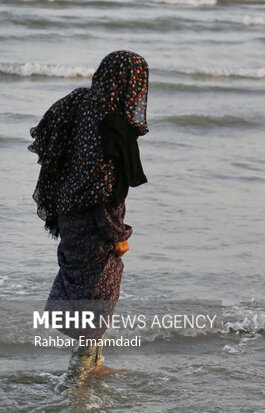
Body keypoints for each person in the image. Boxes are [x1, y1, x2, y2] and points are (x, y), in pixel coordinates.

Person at [28, 50, 149, 391]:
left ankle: (96, 367)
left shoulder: (80, 103)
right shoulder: (112, 127)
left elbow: (50, 137)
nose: (139, 94)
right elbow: (104, 193)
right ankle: (72, 381)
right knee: (99, 302)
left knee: (86, 291)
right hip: (96, 226)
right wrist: (118, 234)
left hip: (69, 218)